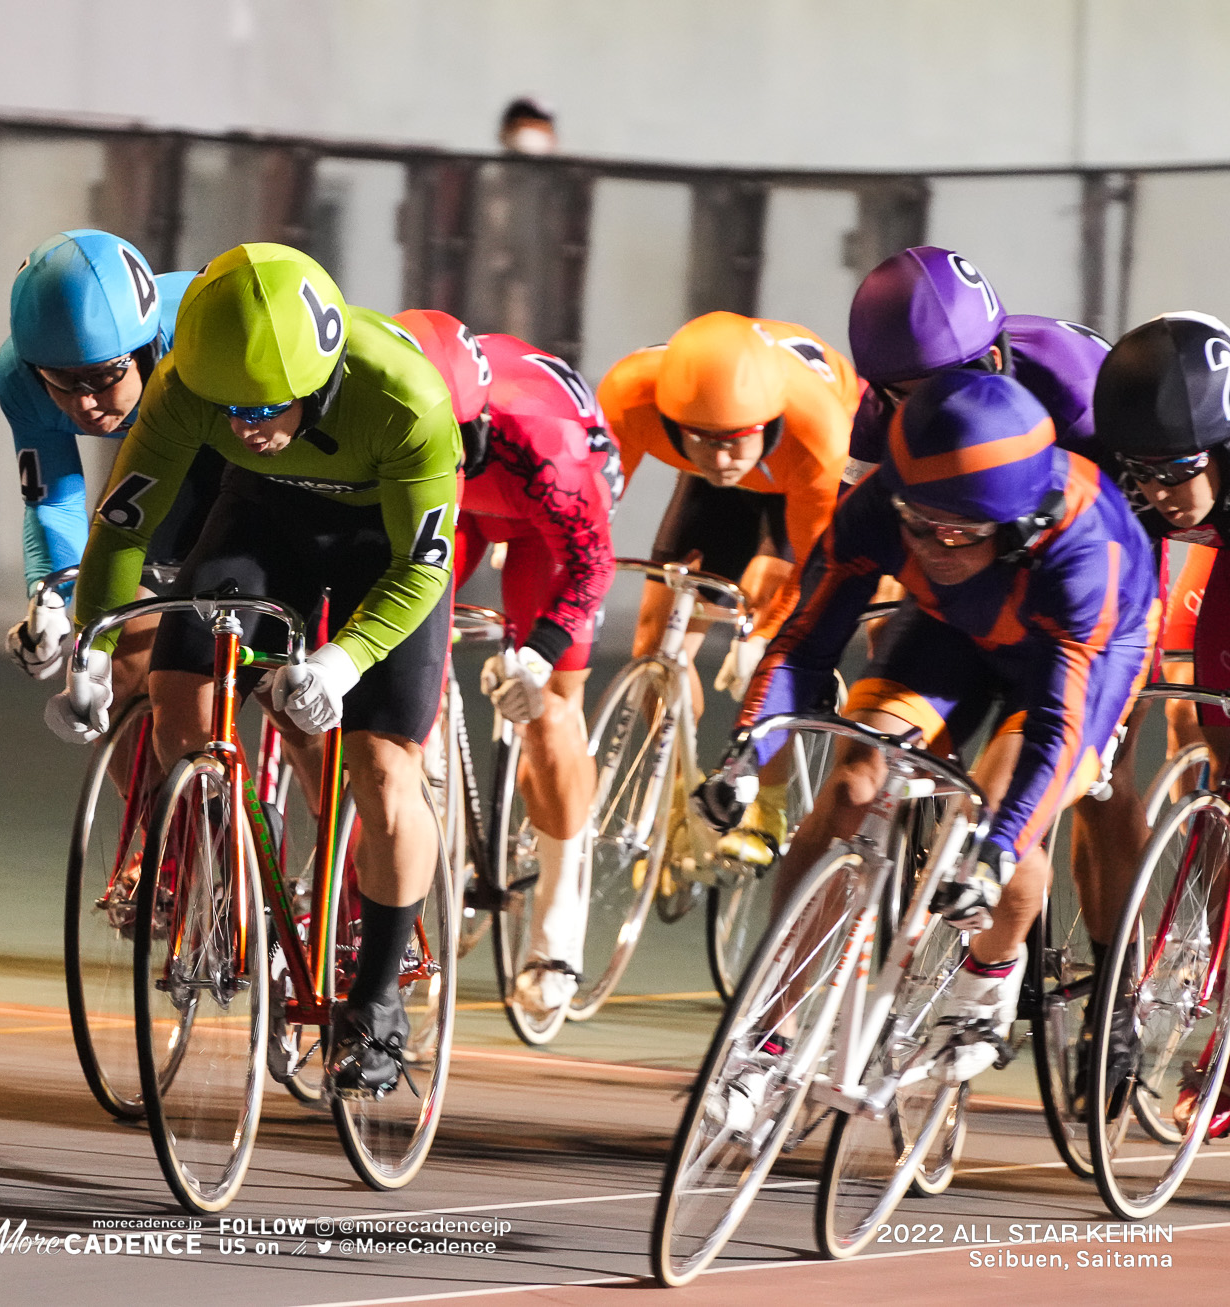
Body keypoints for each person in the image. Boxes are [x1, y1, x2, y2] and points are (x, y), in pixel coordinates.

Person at [50, 244, 461, 1097]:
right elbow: (125, 528)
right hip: (263, 515)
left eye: (264, 408)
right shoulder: (188, 390)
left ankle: (378, 1000)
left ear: (317, 378)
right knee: (178, 694)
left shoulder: (408, 400)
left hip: (380, 549)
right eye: (227, 408)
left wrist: (346, 659)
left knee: (385, 771)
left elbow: (421, 569)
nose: (242, 426)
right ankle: (241, 878)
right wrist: (88, 649)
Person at [714, 371, 1154, 1108]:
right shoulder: (886, 506)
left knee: (996, 817)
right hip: (950, 626)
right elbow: (803, 642)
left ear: (1018, 526)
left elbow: (1056, 728)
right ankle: (771, 1026)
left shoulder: (1083, 553)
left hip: (1082, 656)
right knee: (854, 783)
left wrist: (1000, 849)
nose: (931, 543)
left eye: (957, 533)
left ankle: (989, 977)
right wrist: (745, 756)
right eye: (917, 523)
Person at [392, 309, 620, 1016]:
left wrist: (539, 654)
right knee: (395, 675)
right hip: (454, 505)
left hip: (545, 510)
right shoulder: (394, 419)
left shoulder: (541, 440)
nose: (454, 450)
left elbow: (591, 562)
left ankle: (556, 926)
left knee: (549, 714)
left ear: (480, 415)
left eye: (463, 438)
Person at [596, 311, 860, 868]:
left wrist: (769, 631)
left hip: (802, 476)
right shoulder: (631, 395)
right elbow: (588, 504)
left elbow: (816, 564)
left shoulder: (818, 427)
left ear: (764, 422)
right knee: (654, 644)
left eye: (732, 442)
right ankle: (675, 803)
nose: (720, 460)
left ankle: (768, 808)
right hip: (740, 457)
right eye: (702, 441)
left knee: (779, 642)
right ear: (672, 417)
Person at [1091, 311, 1230, 1136]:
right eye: (1138, 472)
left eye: (1175, 471)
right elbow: (1122, 612)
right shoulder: (1148, 492)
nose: (1157, 493)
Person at [0, 230, 219, 703]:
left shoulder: (205, 340)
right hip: (159, 453)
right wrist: (51, 598)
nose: (84, 403)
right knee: (110, 664)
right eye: (60, 379)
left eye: (101, 377)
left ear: (146, 350)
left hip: (239, 443)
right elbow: (54, 499)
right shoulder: (21, 379)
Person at [846, 246, 1112, 485]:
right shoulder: (880, 406)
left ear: (994, 361)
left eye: (946, 394)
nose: (929, 413)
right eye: (907, 397)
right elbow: (854, 525)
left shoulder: (1078, 402)